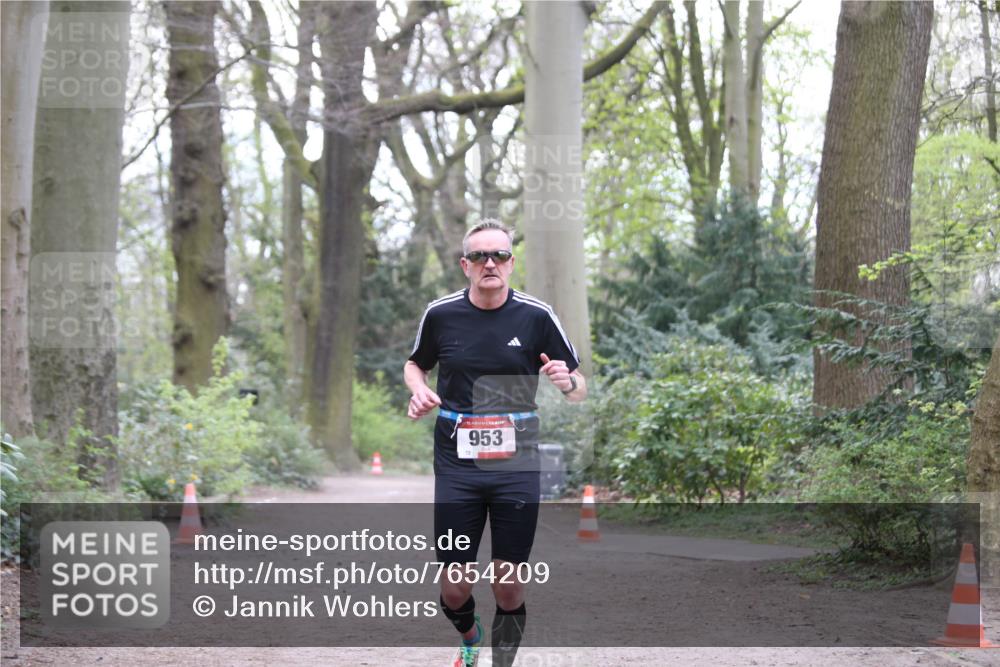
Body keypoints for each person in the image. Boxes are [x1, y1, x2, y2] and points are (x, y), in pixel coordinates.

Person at [404, 219, 586, 667]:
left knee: (508, 584)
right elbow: (415, 364)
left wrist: (567, 382)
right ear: (465, 265)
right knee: (454, 588)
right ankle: (470, 637)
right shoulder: (441, 314)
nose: (490, 263)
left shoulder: (537, 316)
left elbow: (578, 387)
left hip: (516, 462)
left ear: (511, 262)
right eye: (480, 256)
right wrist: (419, 390)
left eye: (499, 255)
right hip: (457, 462)